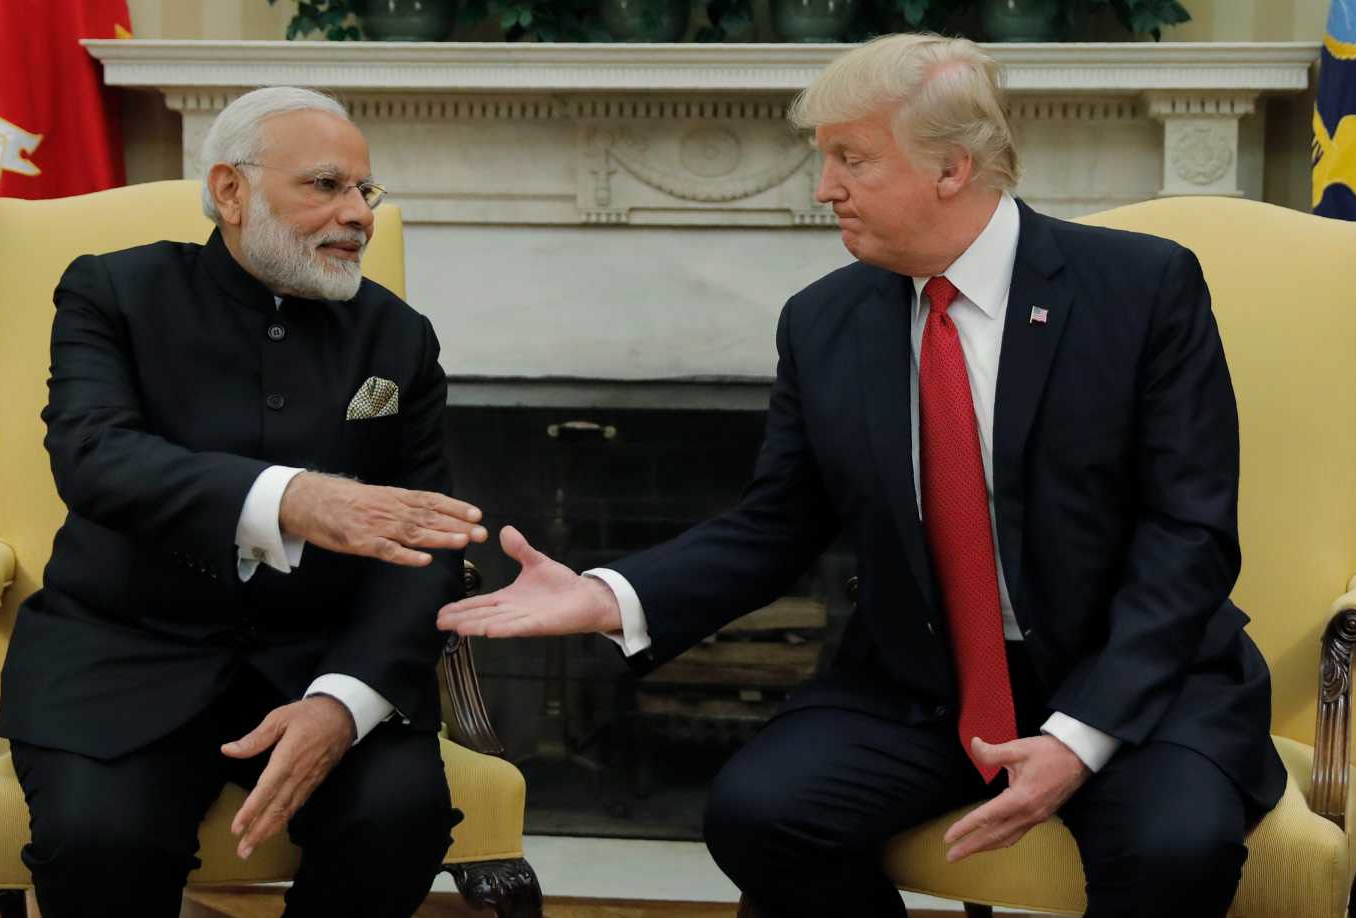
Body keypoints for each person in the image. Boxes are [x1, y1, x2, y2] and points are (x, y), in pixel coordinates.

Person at [439, 34, 1286, 918]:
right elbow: (776, 523)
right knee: (760, 816)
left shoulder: (1141, 289)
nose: (824, 187)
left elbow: (1187, 534)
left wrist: (1079, 737)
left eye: (851, 158)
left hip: (1135, 678)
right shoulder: (825, 322)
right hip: (926, 683)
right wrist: (613, 596)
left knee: (1172, 850)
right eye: (824, 159)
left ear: (952, 168)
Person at [0, 86, 486, 918]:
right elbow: (92, 456)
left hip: (320, 658)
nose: (359, 215)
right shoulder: (114, 292)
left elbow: (427, 539)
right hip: (124, 653)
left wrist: (346, 700)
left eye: (365, 192)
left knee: (397, 819)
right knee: (98, 844)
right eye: (326, 186)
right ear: (230, 191)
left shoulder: (398, 336)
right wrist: (292, 499)